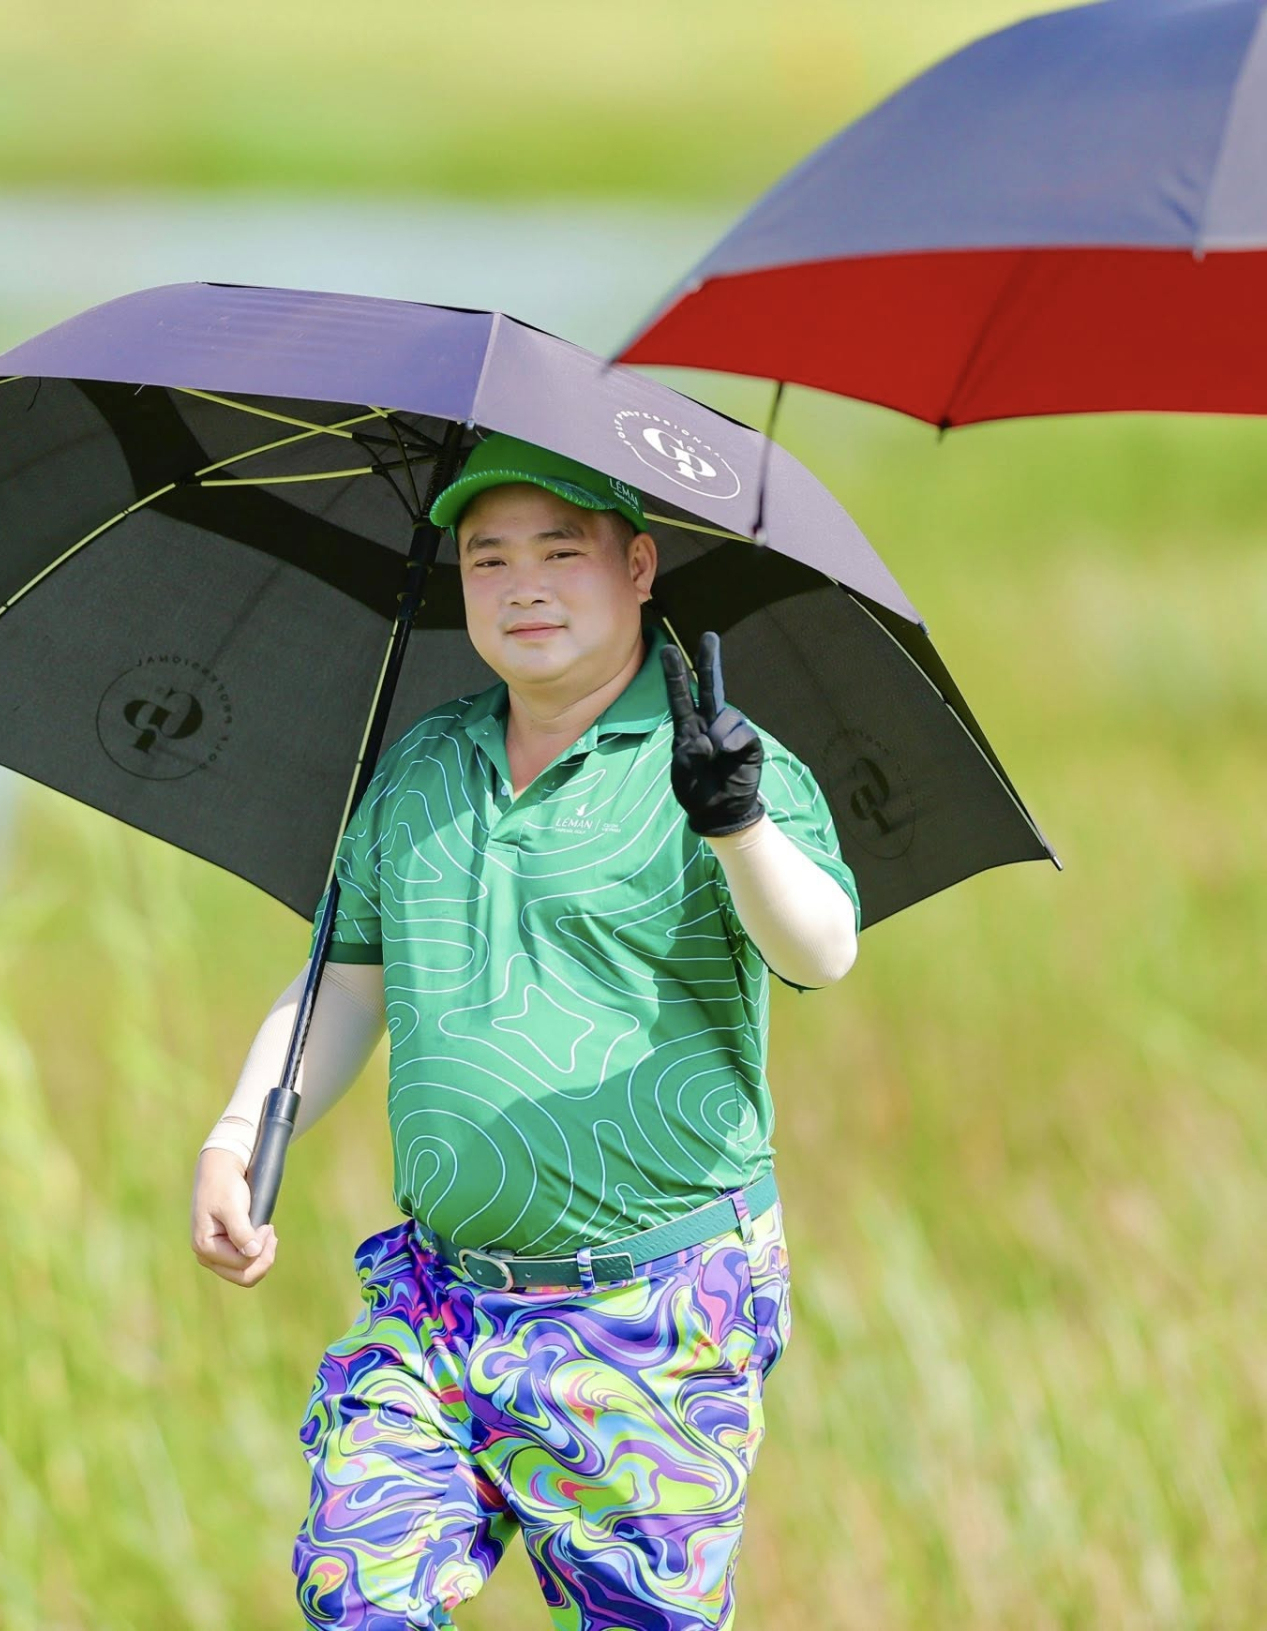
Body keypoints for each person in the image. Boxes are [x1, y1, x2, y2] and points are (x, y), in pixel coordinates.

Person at [190, 430, 860, 1630]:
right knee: (358, 1591)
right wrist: (238, 1134)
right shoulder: (424, 766)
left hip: (654, 1306)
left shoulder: (718, 759)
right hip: (442, 1296)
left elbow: (821, 949)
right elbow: (346, 984)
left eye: (562, 550)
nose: (524, 586)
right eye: (488, 559)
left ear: (642, 566)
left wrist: (737, 820)